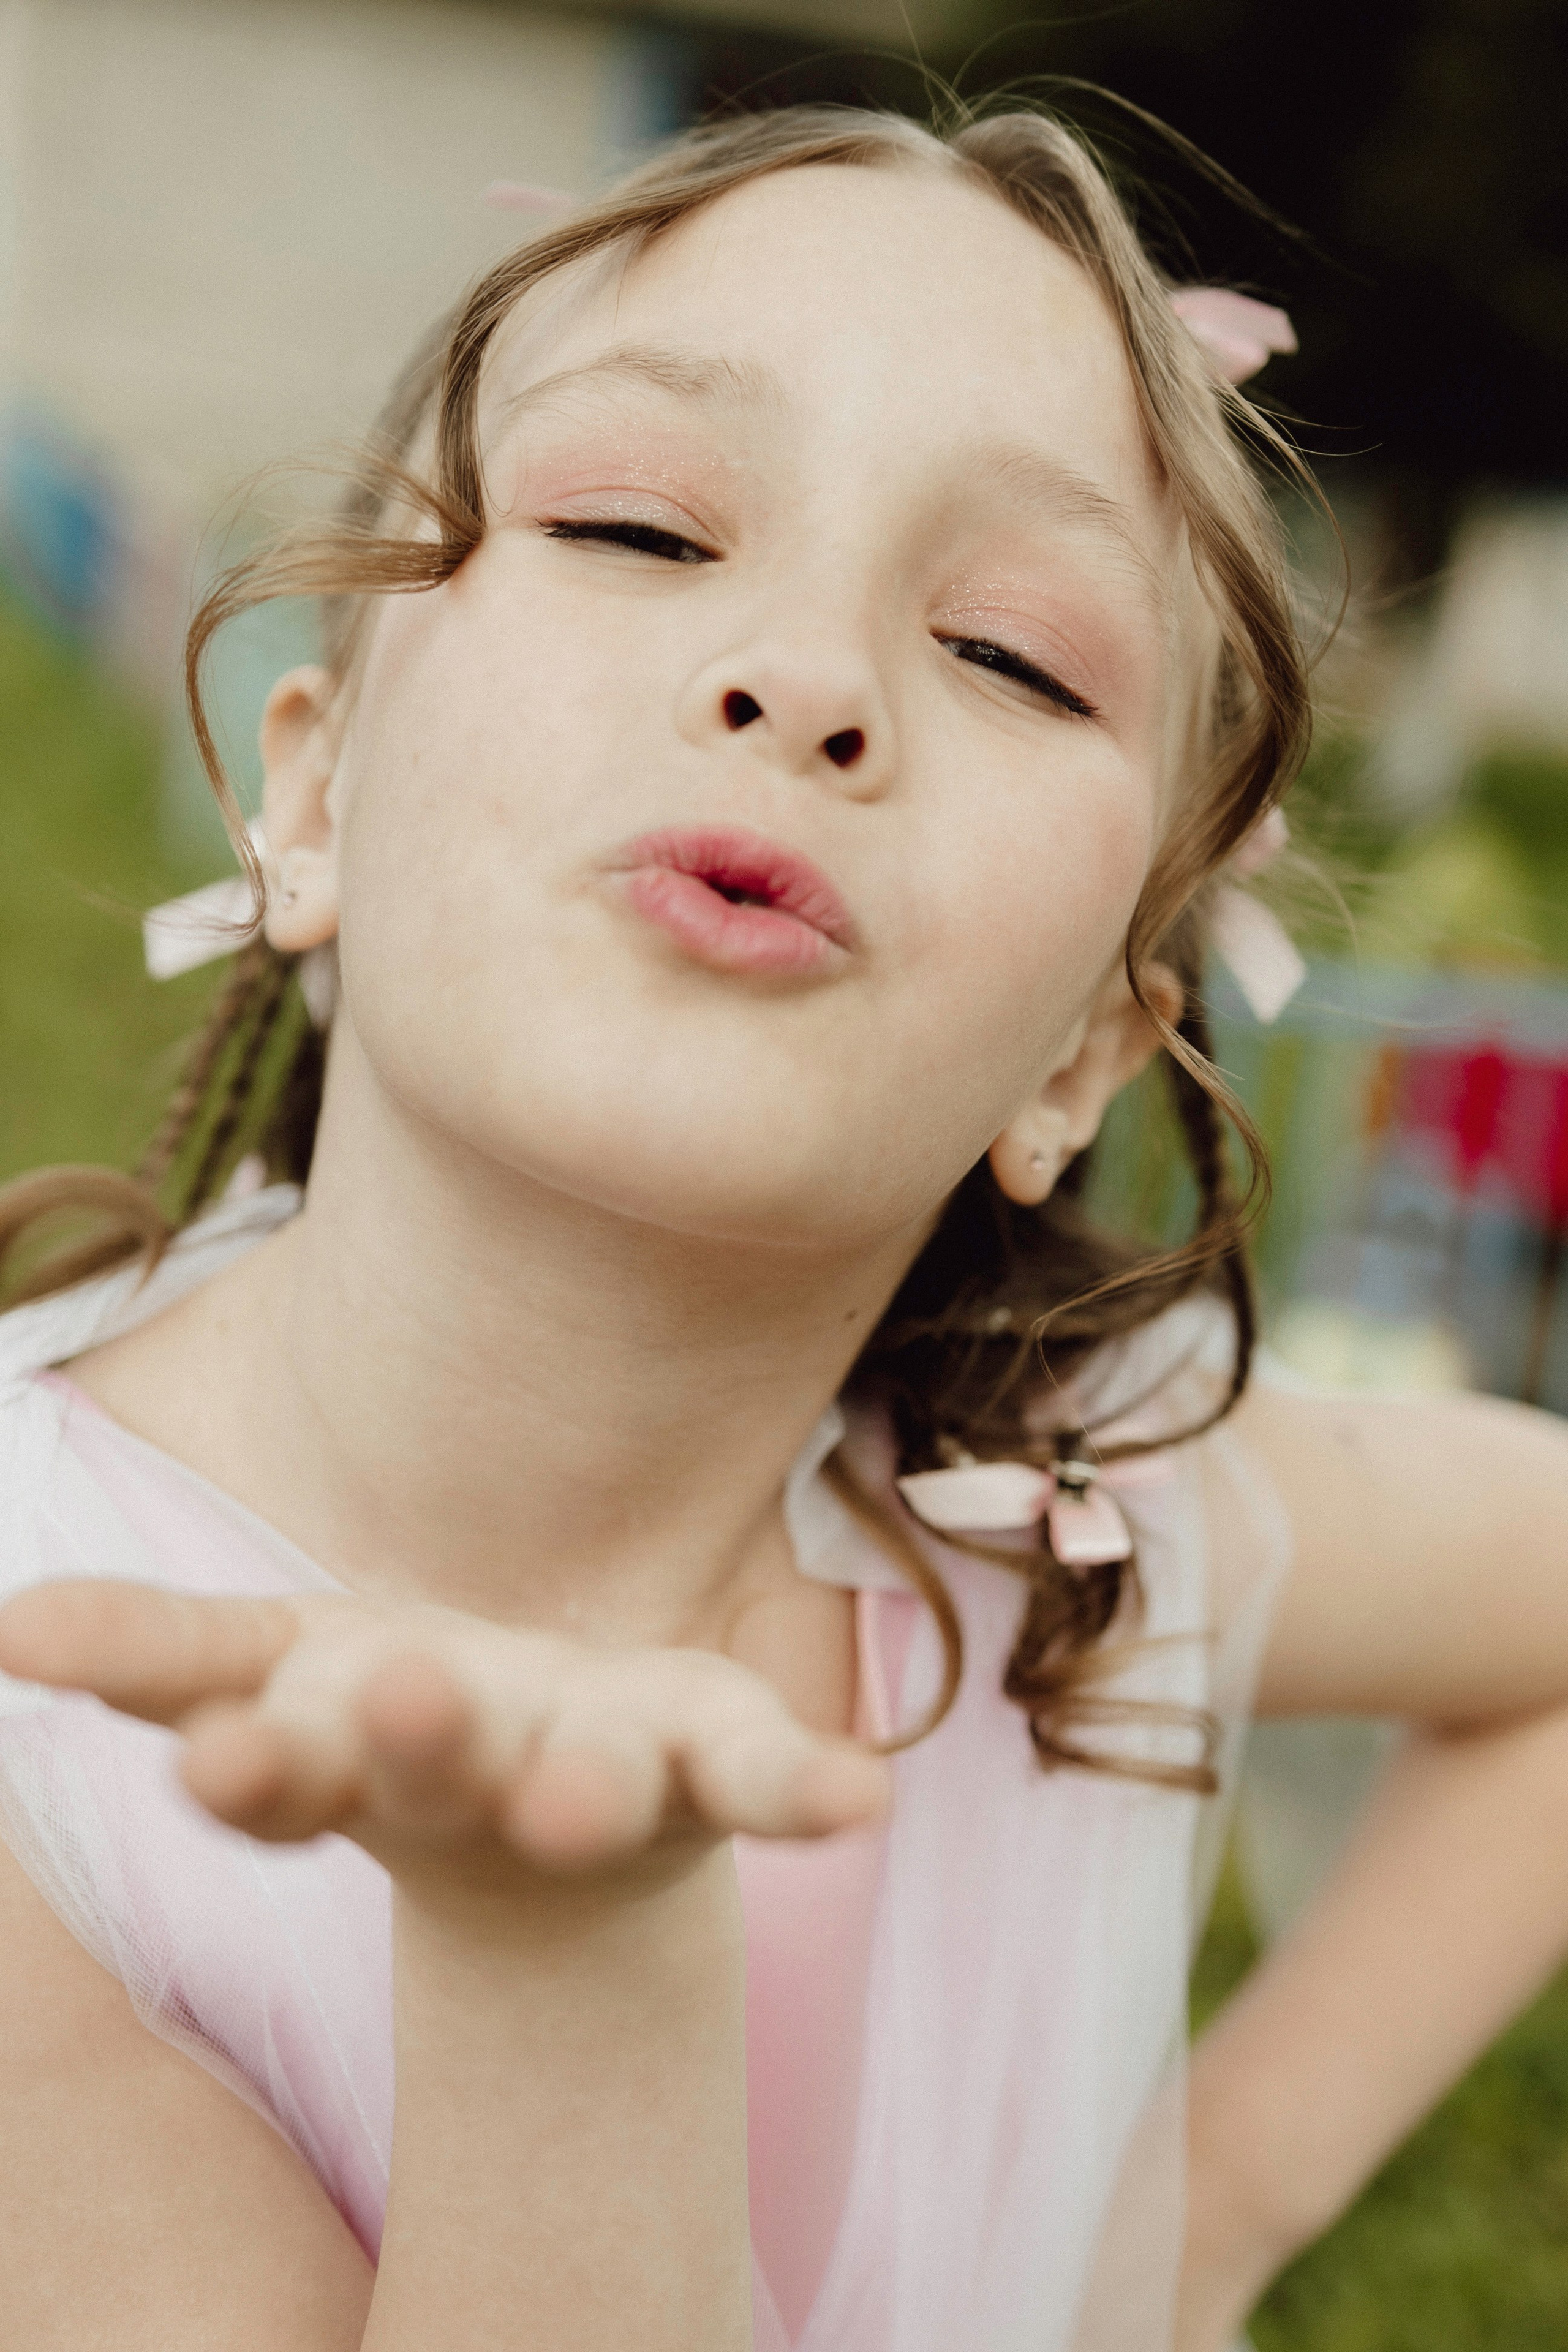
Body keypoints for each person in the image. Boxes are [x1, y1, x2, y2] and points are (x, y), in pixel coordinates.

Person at [0, 102, 1564, 2352]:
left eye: (1015, 655)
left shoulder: (1080, 1524)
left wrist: (1212, 2213)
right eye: (642, 522)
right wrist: (571, 1975)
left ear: (1088, 1054)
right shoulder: (51, 1735)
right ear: (309, 789)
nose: (809, 676)